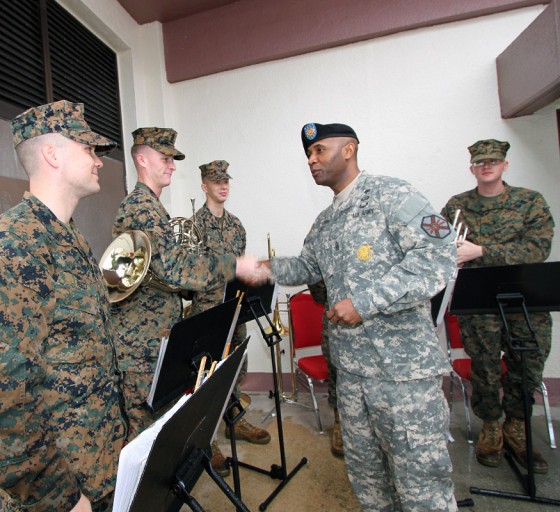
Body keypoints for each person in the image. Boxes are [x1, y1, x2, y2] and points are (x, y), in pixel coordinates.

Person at [263, 122, 458, 511]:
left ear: (349, 149)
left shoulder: (393, 195)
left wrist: (365, 302)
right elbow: (306, 266)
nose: (311, 160)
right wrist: (260, 268)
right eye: (308, 154)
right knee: (368, 481)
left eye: (319, 150)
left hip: (401, 375)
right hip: (350, 375)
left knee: (422, 486)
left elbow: (438, 256)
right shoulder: (326, 220)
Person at [0, 100, 127, 512]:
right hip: (61, 491)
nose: (99, 160)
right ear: (51, 154)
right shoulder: (13, 247)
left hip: (99, 468)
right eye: (88, 148)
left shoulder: (70, 239)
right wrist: (61, 497)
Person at [110, 129, 266, 438]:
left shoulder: (153, 207)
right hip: (142, 341)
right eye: (165, 158)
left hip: (155, 331)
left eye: (173, 159)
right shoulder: (140, 207)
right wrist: (233, 264)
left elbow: (159, 275)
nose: (172, 165)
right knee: (149, 433)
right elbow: (174, 267)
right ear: (141, 159)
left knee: (160, 425)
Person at [441, 139, 554, 474]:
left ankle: (517, 428)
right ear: (472, 168)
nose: (486, 166)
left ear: (505, 165)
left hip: (527, 301)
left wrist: (481, 252)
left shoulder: (529, 201)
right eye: (480, 162)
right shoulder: (457, 206)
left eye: (493, 161)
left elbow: (537, 249)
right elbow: (441, 245)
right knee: (485, 367)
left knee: (527, 367)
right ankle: (491, 427)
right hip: (479, 303)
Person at [187, 160, 271, 476]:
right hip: (207, 313)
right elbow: (190, 273)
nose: (223, 186)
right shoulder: (194, 227)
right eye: (215, 181)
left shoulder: (237, 226)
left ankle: (233, 419)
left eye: (226, 181)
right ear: (204, 186)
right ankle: (206, 439)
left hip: (234, 309)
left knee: (236, 368)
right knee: (207, 375)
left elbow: (240, 271)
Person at [306, 280, 343, 457]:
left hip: (379, 320)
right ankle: (340, 423)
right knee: (336, 371)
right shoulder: (323, 250)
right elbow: (316, 282)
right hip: (338, 318)